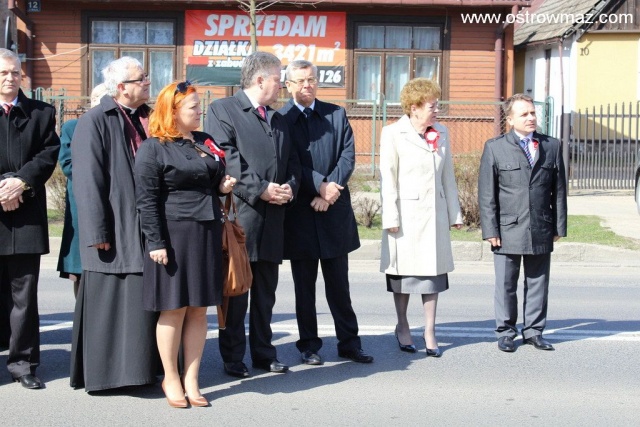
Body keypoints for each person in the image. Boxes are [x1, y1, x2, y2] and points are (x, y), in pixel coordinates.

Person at [135, 81, 236, 407]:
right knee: (174, 309)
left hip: (206, 233)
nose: (199, 111)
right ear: (174, 111)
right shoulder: (154, 147)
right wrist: (155, 241)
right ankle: (171, 377)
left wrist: (222, 187)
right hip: (173, 237)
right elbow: (146, 200)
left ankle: (192, 379)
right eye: (193, 107)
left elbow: (211, 179)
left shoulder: (205, 141)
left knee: (199, 310)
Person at [205, 51, 300, 377]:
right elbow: (227, 157)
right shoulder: (223, 110)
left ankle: (263, 353)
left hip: (273, 219)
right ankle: (233, 357)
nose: (282, 85)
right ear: (260, 80)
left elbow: (293, 163)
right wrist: (260, 188)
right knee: (235, 292)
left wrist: (289, 188)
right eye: (277, 78)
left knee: (265, 295)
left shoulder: (278, 118)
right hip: (241, 218)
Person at [70, 56, 160, 392]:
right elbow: (87, 180)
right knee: (112, 302)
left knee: (141, 301)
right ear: (121, 87)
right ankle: (109, 375)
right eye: (141, 78)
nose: (147, 82)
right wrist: (97, 231)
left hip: (145, 224)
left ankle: (142, 371)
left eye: (146, 76)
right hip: (114, 226)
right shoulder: (95, 120)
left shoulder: (149, 117)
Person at [279, 60, 373, 365]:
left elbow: (347, 155)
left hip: (333, 212)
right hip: (301, 213)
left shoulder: (336, 114)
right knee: (304, 289)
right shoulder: (281, 120)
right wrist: (319, 186)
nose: (307, 85)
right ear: (288, 85)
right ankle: (309, 345)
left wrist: (330, 191)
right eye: (300, 80)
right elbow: (290, 162)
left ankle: (350, 343)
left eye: (311, 79)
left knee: (339, 286)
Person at [379, 78, 463, 358]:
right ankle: (402, 326)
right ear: (414, 107)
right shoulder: (393, 133)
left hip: (434, 215)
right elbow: (388, 178)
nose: (437, 110)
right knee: (403, 276)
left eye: (437, 105)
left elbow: (448, 176)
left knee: (432, 276)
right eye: (432, 106)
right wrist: (390, 217)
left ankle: (429, 330)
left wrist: (454, 213)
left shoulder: (442, 132)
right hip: (405, 217)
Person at [478, 93, 567, 353]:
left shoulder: (551, 146)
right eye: (524, 114)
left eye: (533, 113)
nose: (531, 118)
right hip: (507, 229)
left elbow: (559, 191)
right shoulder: (495, 147)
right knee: (506, 283)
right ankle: (506, 332)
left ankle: (534, 332)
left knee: (538, 282)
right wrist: (490, 229)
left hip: (540, 225)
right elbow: (486, 194)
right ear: (510, 119)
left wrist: (558, 226)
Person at [0, 48, 60, 389]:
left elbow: (48, 154)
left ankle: (23, 363)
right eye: (3, 73)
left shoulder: (42, 113)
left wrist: (20, 182)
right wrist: (1, 189)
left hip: (26, 214)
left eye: (14, 72)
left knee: (24, 294)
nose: (10, 78)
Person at [57, 84, 108, 297]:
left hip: (114, 204)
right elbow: (68, 165)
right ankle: (82, 313)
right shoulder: (73, 127)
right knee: (81, 269)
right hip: (83, 203)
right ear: (91, 101)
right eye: (98, 99)